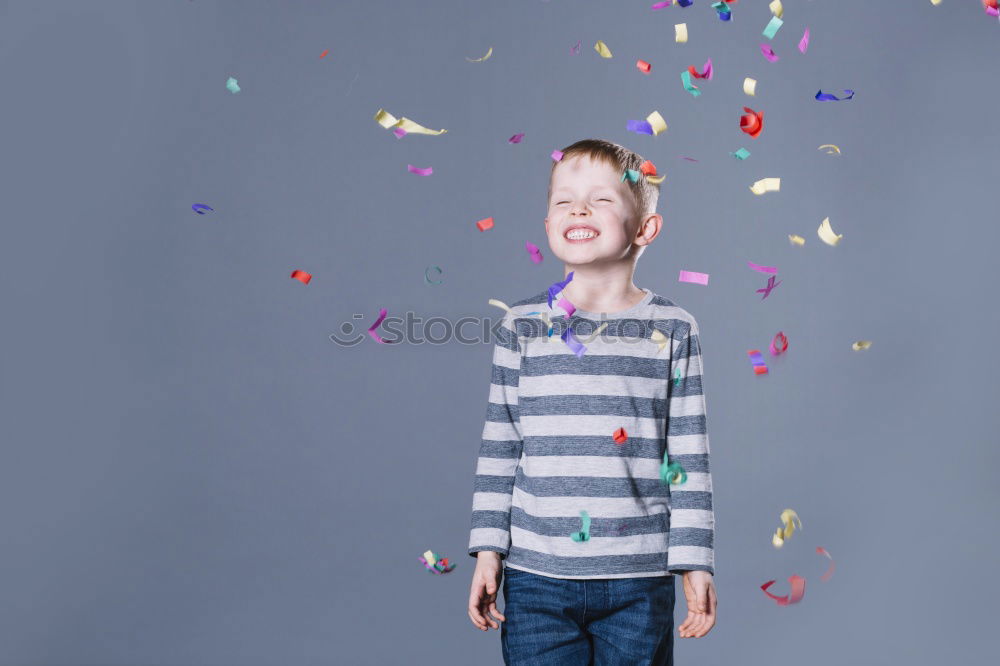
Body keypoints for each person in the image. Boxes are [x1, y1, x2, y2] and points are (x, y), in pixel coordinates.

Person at [466, 139, 718, 664]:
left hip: (639, 581)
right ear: (548, 224)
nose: (578, 209)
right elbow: (501, 445)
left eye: (600, 200)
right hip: (537, 580)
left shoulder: (673, 329)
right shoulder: (522, 325)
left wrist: (695, 561)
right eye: (564, 200)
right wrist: (488, 550)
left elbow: (688, 457)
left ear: (645, 228)